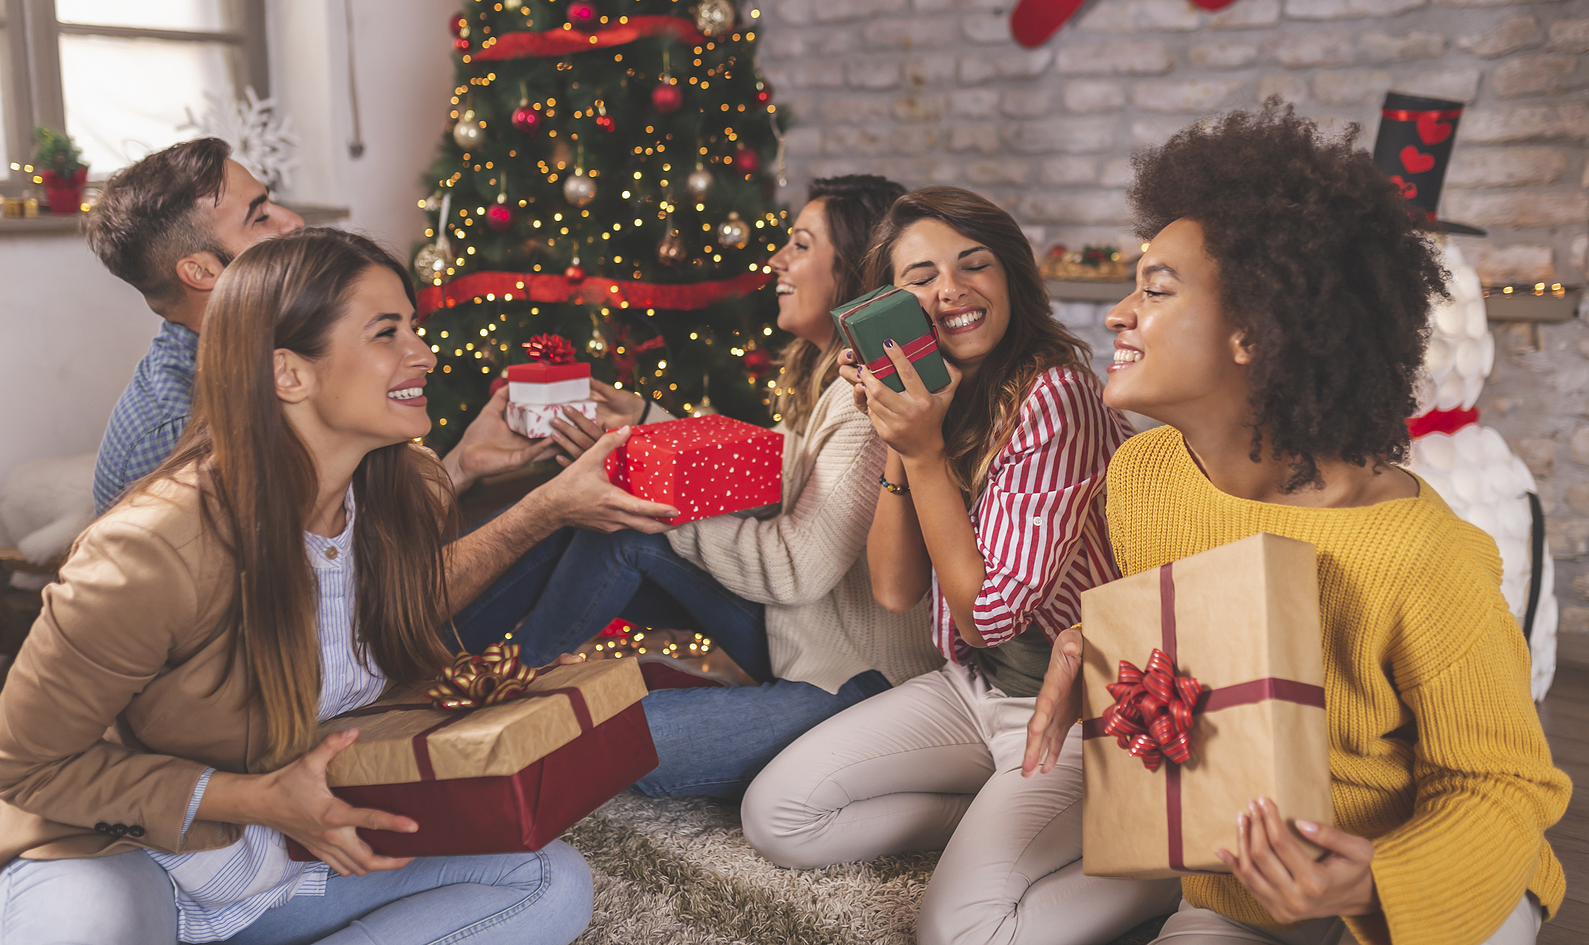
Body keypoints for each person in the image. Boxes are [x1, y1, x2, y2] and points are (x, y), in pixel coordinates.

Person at [1021, 103, 1570, 945]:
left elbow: (1502, 783)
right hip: (1239, 869)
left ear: (1252, 331)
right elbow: (1186, 659)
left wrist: (1378, 878)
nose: (1117, 313)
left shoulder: (1423, 554)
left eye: (1156, 289)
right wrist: (1089, 647)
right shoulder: (1141, 478)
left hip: (1419, 880)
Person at [0, 231, 607, 945]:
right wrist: (252, 798)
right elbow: (24, 767)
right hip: (126, 853)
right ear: (288, 373)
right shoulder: (150, 549)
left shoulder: (397, 492)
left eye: (414, 326)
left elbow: (382, 642)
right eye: (387, 332)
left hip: (276, 863)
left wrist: (512, 697)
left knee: (548, 881)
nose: (424, 353)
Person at [741, 187, 1181, 945]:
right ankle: (998, 817)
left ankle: (1163, 868)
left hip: (1079, 713)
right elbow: (895, 588)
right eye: (919, 278)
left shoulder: (1059, 396)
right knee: (778, 815)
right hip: (977, 688)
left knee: (961, 932)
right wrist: (898, 441)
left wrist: (922, 450)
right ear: (891, 302)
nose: (949, 290)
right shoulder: (930, 399)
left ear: (1011, 277)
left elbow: (991, 611)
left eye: (973, 265)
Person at [455, 175, 942, 799]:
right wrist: (646, 425)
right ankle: (485, 672)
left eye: (798, 244)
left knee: (609, 739)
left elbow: (795, 568)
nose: (776, 261)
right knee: (614, 529)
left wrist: (646, 484)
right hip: (801, 632)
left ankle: (481, 674)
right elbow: (782, 470)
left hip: (853, 677)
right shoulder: (825, 378)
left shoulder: (869, 397)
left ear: (849, 271)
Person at [85, 138, 550, 514]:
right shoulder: (176, 434)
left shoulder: (269, 348)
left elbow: (348, 552)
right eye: (261, 217)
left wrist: (463, 466)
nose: (295, 223)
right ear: (202, 272)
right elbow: (318, 604)